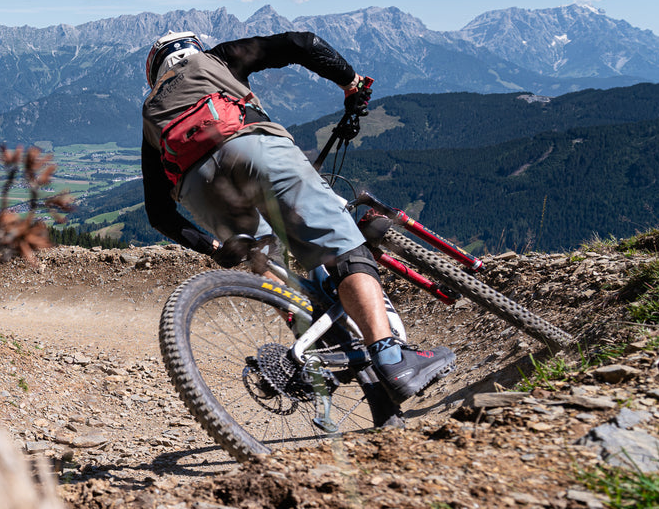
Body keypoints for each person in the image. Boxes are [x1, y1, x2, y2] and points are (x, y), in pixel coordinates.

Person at [140, 29, 454, 402]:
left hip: (200, 189)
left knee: (271, 265)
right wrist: (350, 82)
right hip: (251, 148)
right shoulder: (217, 59)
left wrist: (213, 245)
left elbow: (159, 212)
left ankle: (317, 353)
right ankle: (391, 356)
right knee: (340, 246)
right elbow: (301, 44)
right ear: (194, 49)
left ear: (156, 71)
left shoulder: (151, 112)